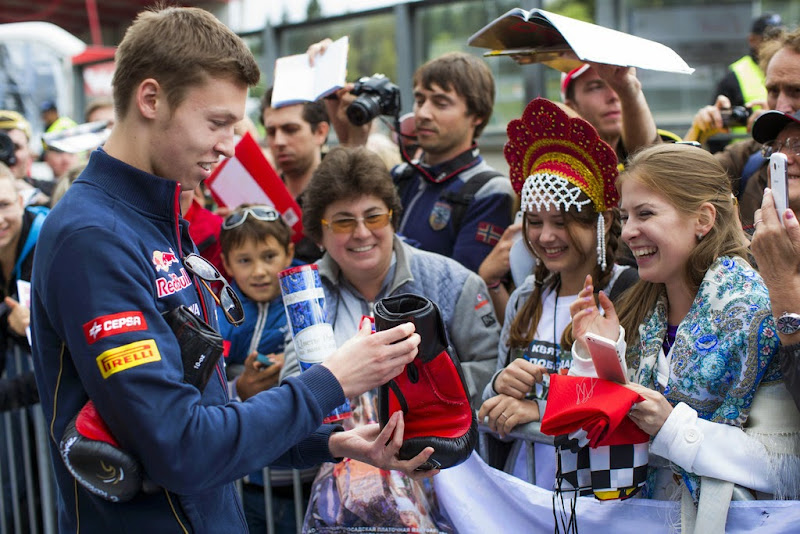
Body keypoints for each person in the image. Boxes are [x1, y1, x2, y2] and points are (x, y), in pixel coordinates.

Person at [30, 7, 432, 532]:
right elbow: (181, 447)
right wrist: (329, 381)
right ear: (150, 99)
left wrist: (326, 441)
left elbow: (208, 411)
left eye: (236, 126)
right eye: (217, 123)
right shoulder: (93, 238)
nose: (228, 146)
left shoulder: (155, 216)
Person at [569, 143, 796, 527]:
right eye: (624, 216)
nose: (627, 232)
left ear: (703, 219)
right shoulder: (640, 306)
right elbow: (598, 431)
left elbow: (784, 464)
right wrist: (597, 352)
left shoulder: (757, 311)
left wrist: (672, 426)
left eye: (645, 214)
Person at [280, 145, 499, 531]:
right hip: (344, 504)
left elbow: (491, 369)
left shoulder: (452, 282)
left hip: (448, 491)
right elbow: (294, 389)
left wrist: (422, 396)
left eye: (374, 216)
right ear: (319, 232)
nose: (362, 233)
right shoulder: (305, 295)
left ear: (393, 217)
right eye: (344, 222)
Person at [477, 98, 636, 487]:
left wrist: (540, 410)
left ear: (603, 221)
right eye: (534, 221)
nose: (545, 236)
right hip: (523, 485)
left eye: (561, 222)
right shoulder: (525, 297)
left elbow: (630, 398)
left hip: (595, 494)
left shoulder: (628, 291)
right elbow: (488, 398)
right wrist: (500, 385)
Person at [319, 47, 515, 274]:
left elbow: (461, 288)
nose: (423, 114)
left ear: (477, 115)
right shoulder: (402, 176)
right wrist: (355, 139)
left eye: (441, 103)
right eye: (420, 100)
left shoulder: (489, 191)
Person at [215, 204, 308, 533]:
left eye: (269, 256)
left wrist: (293, 367)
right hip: (246, 482)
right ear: (226, 264)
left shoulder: (308, 296)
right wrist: (240, 388)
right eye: (244, 260)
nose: (258, 271)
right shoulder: (218, 310)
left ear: (289, 253)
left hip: (306, 478)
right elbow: (204, 380)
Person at [685, 27, 800, 226]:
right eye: (773, 90)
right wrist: (697, 133)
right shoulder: (752, 157)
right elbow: (679, 183)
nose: (781, 105)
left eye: (796, 90)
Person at [750, 109, 800, 412]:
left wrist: (783, 284)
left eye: (798, 147)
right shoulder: (751, 246)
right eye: (776, 148)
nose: (784, 158)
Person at [260, 87, 330, 263]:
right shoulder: (259, 202)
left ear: (320, 132)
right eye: (271, 132)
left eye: (290, 129)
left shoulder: (342, 193)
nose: (279, 141)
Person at [560, 62, 661, 163]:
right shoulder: (559, 167)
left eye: (620, 84)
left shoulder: (669, 144)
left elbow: (651, 159)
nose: (614, 96)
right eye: (596, 87)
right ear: (571, 107)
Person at [714, 13, 783, 111]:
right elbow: (718, 117)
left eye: (779, 37)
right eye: (768, 38)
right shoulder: (734, 76)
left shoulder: (790, 69)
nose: (775, 43)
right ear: (752, 40)